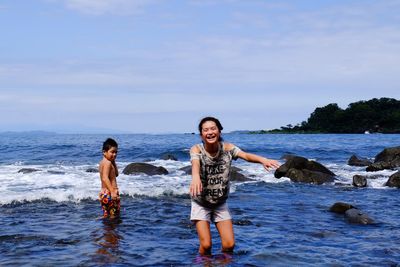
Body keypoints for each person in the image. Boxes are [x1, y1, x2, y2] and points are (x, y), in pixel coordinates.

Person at [189, 117, 280, 255]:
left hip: (220, 202)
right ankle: (201, 264)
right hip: (201, 202)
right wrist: (195, 176)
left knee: (229, 245)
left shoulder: (228, 148)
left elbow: (245, 155)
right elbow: (195, 162)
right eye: (205, 130)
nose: (210, 132)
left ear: (219, 131)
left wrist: (263, 160)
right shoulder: (197, 149)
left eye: (213, 128)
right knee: (206, 245)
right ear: (201, 134)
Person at [99, 138, 120, 218]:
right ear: (104, 152)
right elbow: (105, 178)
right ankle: (110, 231)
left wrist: (114, 162)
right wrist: (113, 192)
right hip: (110, 193)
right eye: (112, 152)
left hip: (104, 193)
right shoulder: (107, 163)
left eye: (116, 152)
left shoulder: (103, 162)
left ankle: (106, 230)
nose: (114, 154)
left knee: (107, 215)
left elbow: (116, 174)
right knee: (113, 217)